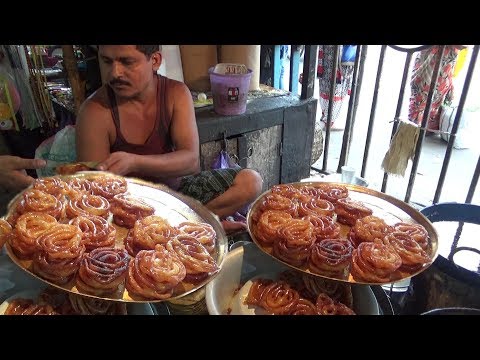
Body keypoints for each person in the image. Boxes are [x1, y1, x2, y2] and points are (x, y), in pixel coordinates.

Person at [75, 45, 263, 233]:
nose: (114, 73)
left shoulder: (176, 94)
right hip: (127, 208)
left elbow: (190, 162)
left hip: (177, 193)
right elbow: (95, 191)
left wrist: (134, 162)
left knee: (251, 181)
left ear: (155, 61)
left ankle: (191, 225)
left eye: (127, 62)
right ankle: (194, 227)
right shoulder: (94, 112)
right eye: (107, 61)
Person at [408, 45, 465, 132]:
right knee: (422, 90)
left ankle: (423, 128)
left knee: (435, 93)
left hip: (444, 60)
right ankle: (414, 130)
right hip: (430, 57)